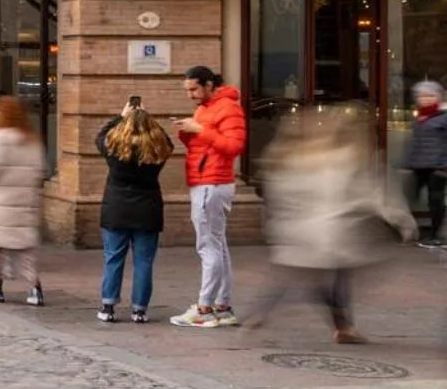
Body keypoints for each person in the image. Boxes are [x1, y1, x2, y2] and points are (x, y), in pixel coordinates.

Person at [249, 105, 416, 343]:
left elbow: (282, 193)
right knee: (327, 275)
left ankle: (263, 313)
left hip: (298, 232)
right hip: (330, 232)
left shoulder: (294, 157)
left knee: (301, 275)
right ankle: (341, 326)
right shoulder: (344, 158)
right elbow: (368, 194)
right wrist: (399, 219)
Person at [171, 65, 247, 328]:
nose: (190, 94)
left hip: (211, 183)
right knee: (218, 245)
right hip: (207, 181)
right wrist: (187, 132)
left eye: (194, 89)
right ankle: (222, 307)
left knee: (208, 246)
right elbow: (204, 146)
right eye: (187, 90)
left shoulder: (228, 108)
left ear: (209, 85)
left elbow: (234, 146)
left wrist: (199, 130)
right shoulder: (205, 108)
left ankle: (204, 308)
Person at [95, 101, 172, 323]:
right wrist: (149, 119)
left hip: (116, 209)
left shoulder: (113, 147)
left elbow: (100, 137)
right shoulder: (157, 150)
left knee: (113, 258)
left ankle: (108, 306)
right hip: (147, 210)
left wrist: (120, 117)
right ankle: (139, 310)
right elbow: (168, 143)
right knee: (144, 262)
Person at [0, 95, 46, 306]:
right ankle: (35, 288)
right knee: (25, 249)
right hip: (24, 201)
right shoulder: (31, 139)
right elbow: (39, 172)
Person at [407, 80, 447, 247]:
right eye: (422, 96)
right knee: (410, 196)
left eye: (430, 95)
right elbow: (416, 143)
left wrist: (444, 166)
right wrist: (408, 162)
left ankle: (436, 235)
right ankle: (412, 230)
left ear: (437, 97)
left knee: (435, 201)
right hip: (419, 166)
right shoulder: (419, 118)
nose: (426, 99)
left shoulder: (444, 118)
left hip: (437, 168)